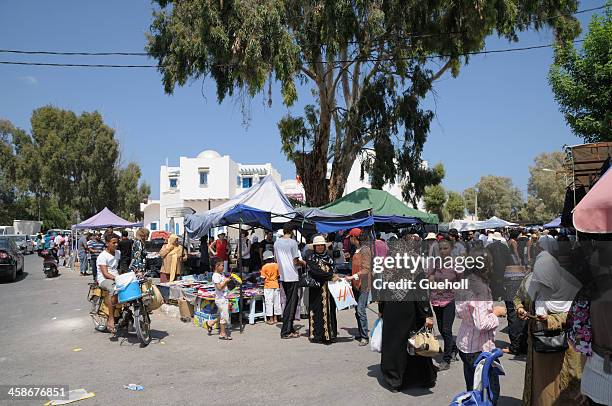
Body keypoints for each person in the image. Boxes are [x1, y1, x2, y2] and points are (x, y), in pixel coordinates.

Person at [517, 241, 584, 406]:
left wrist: (551, 320)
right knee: (541, 390)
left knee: (564, 390)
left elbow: (578, 317)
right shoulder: (531, 281)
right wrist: (520, 308)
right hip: (539, 347)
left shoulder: (571, 287)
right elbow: (519, 298)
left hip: (563, 349)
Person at [379, 237, 437, 391]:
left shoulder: (388, 265)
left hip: (391, 310)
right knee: (415, 341)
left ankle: (394, 380)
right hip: (409, 310)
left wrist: (381, 310)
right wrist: (427, 313)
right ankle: (422, 377)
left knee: (394, 344)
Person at [455, 246, 507, 405]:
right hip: (479, 349)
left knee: (473, 391)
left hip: (465, 345)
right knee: (489, 393)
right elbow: (482, 323)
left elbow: (459, 312)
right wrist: (496, 313)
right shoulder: (481, 289)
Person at [427, 238, 459, 370]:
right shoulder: (435, 262)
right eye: (440, 248)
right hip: (435, 299)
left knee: (446, 329)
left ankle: (446, 360)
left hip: (450, 299)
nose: (442, 251)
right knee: (441, 328)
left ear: (450, 249)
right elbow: (429, 276)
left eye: (445, 248)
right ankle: (454, 348)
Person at [305, 235, 339, 344]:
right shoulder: (311, 257)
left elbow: (333, 269)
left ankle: (330, 335)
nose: (320, 247)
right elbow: (316, 271)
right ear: (314, 247)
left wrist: (334, 275)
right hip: (317, 290)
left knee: (330, 311)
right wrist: (330, 276)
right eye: (317, 245)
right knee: (317, 311)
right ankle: (318, 336)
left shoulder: (329, 257)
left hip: (329, 290)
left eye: (321, 245)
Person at [274, 226, 306, 339]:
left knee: (291, 301)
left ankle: (290, 328)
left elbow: (276, 259)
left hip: (283, 275)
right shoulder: (293, 242)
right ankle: (286, 331)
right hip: (292, 275)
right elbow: (296, 261)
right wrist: (303, 263)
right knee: (291, 303)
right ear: (292, 232)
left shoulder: (276, 243)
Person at [347, 228, 372, 346]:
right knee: (357, 310)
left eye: (350, 237)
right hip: (356, 284)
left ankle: (364, 337)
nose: (349, 240)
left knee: (361, 310)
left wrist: (354, 276)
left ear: (354, 238)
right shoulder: (357, 250)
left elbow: (366, 269)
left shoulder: (365, 250)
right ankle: (361, 331)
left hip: (364, 285)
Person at [96, 234, 121, 337]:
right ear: (107, 243)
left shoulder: (118, 253)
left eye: (117, 242)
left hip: (116, 277)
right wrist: (117, 278)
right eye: (113, 242)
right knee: (113, 289)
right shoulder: (102, 256)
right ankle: (111, 318)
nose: (116, 244)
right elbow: (105, 273)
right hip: (104, 279)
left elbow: (117, 268)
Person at [206, 261, 232, 340]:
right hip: (220, 299)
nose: (223, 267)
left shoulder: (221, 274)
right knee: (224, 316)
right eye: (221, 265)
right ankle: (222, 334)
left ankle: (210, 323)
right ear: (216, 266)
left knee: (222, 314)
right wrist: (225, 281)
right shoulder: (215, 276)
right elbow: (219, 287)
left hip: (224, 297)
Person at [260, 250, 281, 325]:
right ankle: (276, 318)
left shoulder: (264, 267)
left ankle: (271, 319)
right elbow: (279, 275)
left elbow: (262, 278)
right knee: (276, 302)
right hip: (276, 285)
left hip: (268, 286)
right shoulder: (276, 265)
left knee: (269, 302)